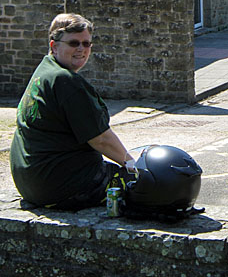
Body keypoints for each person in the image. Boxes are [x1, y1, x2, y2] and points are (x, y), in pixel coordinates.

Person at [10, 13, 136, 210]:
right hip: (62, 185)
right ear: (54, 46)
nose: (81, 49)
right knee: (148, 184)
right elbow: (101, 139)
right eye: (73, 43)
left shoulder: (44, 71)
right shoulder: (66, 81)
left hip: (32, 183)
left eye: (86, 44)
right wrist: (132, 165)